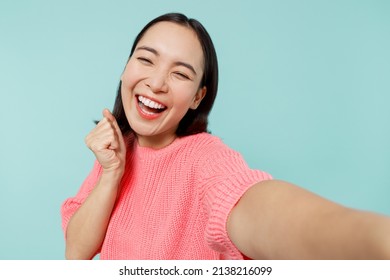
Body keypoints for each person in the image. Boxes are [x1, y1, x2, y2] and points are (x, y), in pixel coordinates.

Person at [61, 12, 390, 260]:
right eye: (145, 59)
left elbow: (251, 206)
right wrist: (111, 173)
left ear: (197, 97)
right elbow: (76, 252)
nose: (157, 82)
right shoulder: (118, 151)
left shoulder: (206, 158)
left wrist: (370, 238)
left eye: (179, 73)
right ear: (125, 68)